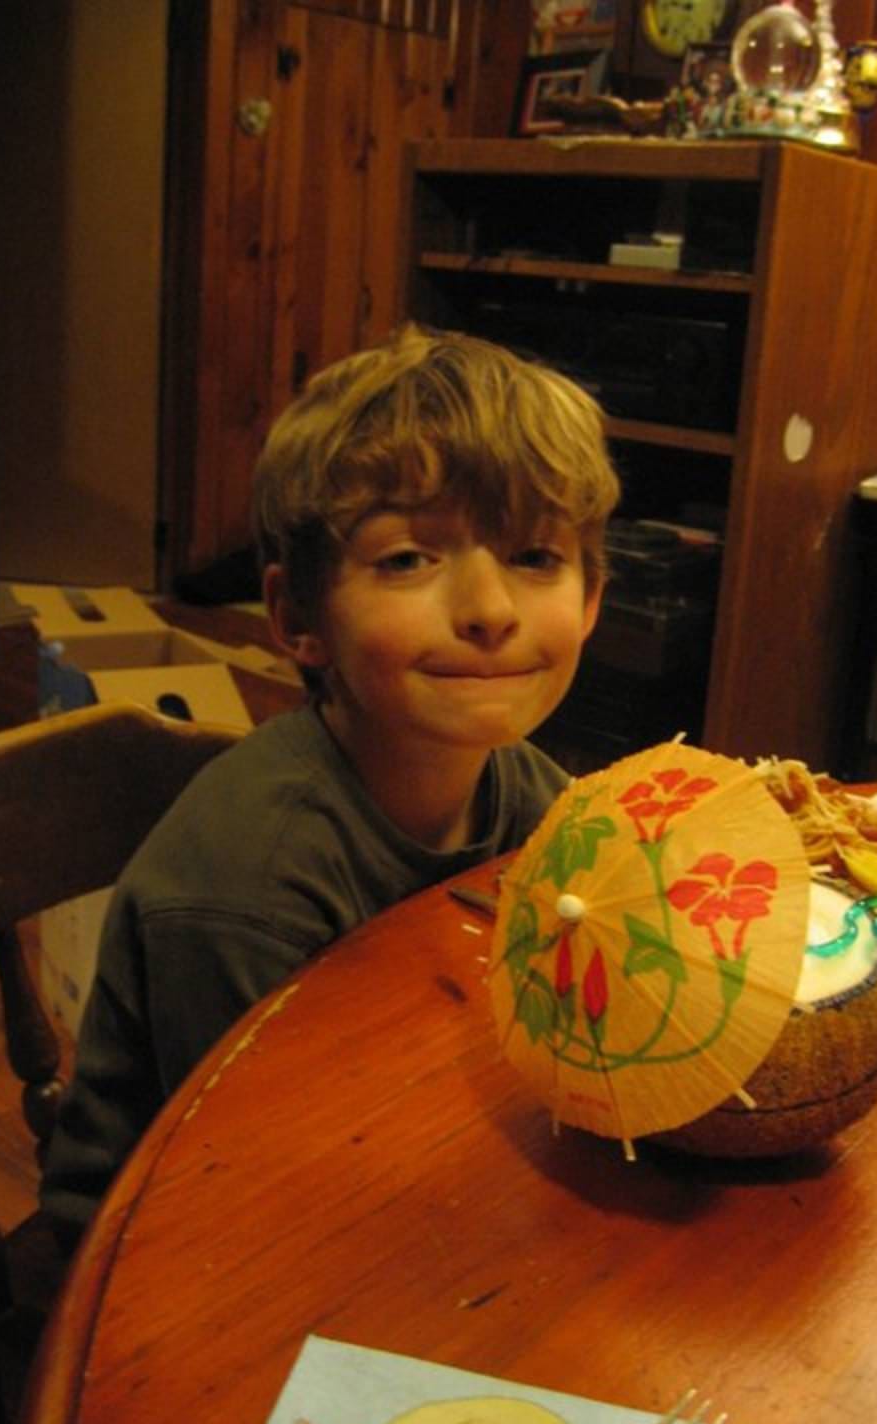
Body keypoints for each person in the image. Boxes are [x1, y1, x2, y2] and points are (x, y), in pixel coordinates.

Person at [40, 323, 620, 1250]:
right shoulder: (249, 888)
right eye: (406, 560)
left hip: (390, 1163)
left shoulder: (529, 794)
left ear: (592, 597)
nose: (489, 611)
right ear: (295, 616)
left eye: (534, 556)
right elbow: (261, 1191)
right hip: (154, 1277)